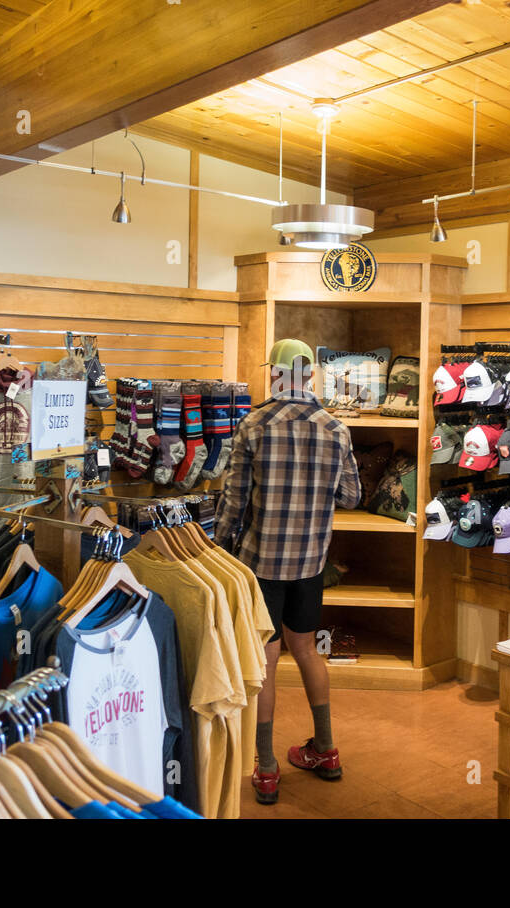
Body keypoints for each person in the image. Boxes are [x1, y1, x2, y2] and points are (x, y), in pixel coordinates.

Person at [213, 338, 361, 805]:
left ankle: (268, 767)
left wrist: (218, 546)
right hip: (311, 563)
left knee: (266, 661)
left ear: (273, 374)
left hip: (261, 564)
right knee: (308, 650)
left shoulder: (253, 425)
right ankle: (325, 749)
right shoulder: (336, 428)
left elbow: (233, 502)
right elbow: (352, 496)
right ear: (312, 375)